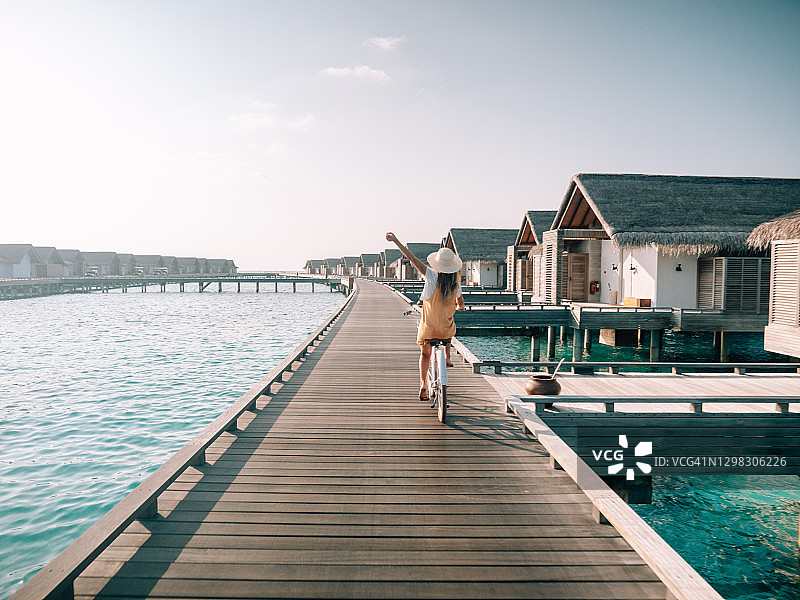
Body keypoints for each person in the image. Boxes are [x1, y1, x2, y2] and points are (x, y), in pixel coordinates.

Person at [386, 232, 465, 401]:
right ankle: (447, 356)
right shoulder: (456, 283)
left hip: (428, 328)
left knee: (425, 355)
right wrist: (460, 307)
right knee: (450, 327)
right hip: (445, 330)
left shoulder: (431, 276)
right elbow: (461, 303)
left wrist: (396, 240)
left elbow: (412, 258)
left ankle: (423, 385)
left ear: (438, 264)